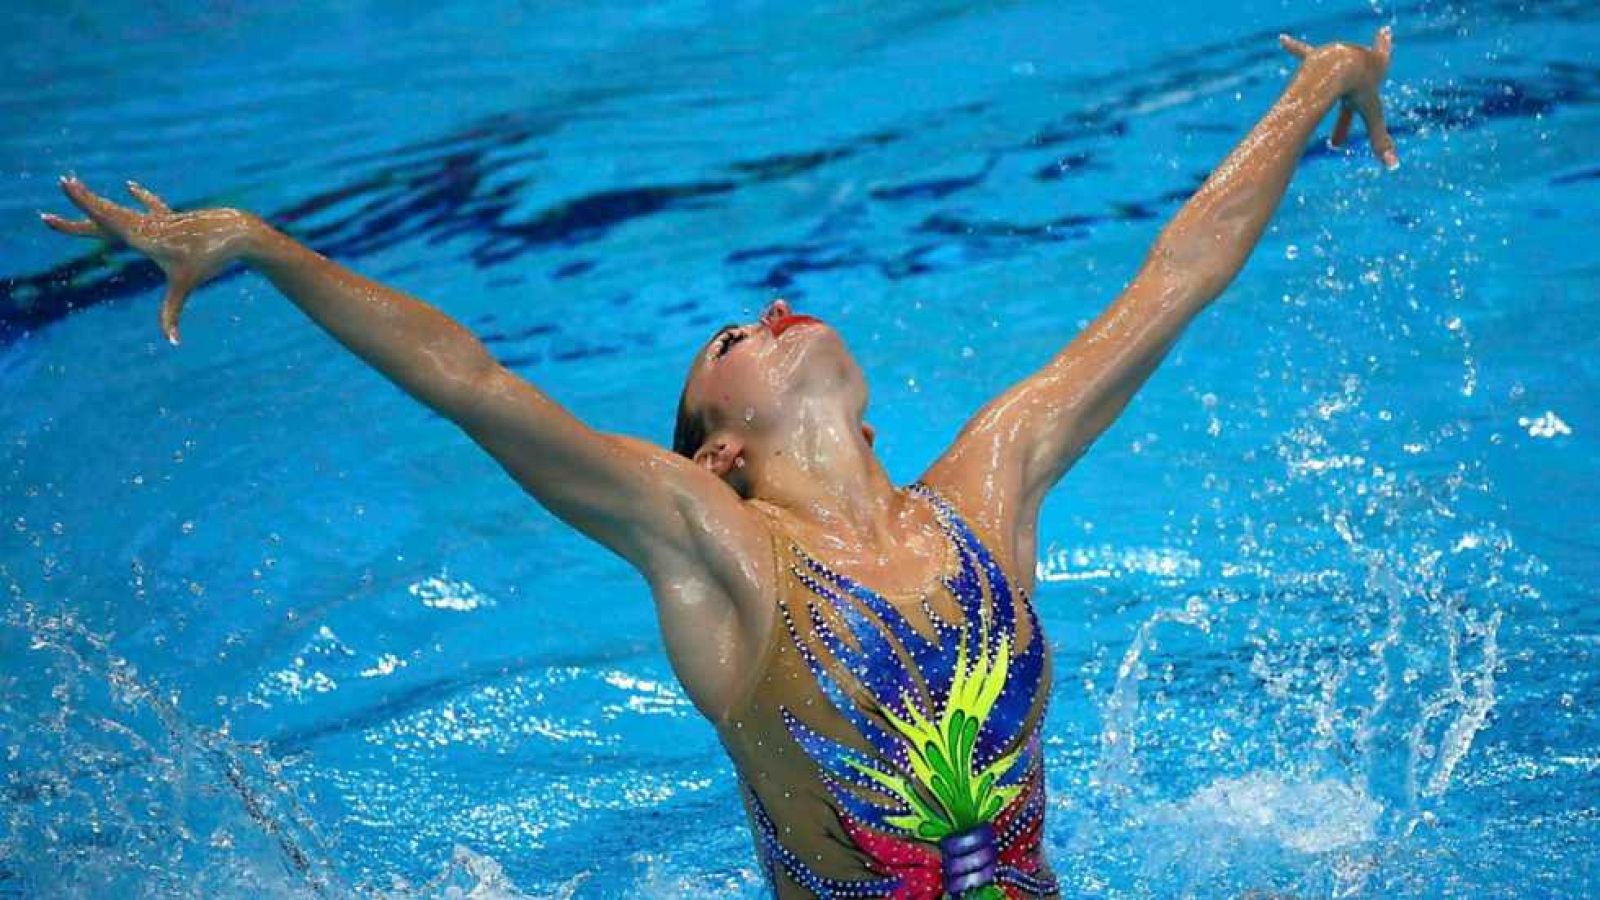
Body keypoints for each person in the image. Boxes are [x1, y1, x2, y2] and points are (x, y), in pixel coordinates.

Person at [39, 28, 1397, 900]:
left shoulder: (990, 485)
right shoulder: (724, 553)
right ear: (723, 449)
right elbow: (474, 383)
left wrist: (1318, 81)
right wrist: (269, 250)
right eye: (731, 340)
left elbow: (1172, 283)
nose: (772, 314)